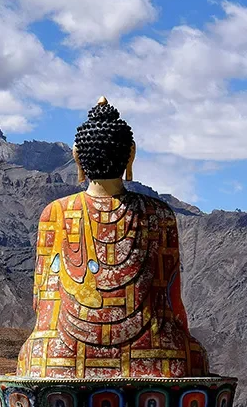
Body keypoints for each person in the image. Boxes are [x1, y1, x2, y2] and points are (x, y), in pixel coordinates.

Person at [16, 97, 210, 379]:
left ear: (77, 156)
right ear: (131, 155)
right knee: (191, 357)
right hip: (156, 353)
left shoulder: (55, 213)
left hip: (63, 356)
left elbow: (41, 301)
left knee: (36, 356)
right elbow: (171, 299)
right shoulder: (159, 214)